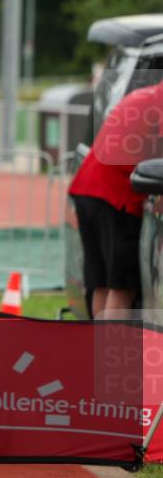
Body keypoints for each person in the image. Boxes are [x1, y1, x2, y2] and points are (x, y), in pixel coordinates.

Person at [69, 82, 163, 317]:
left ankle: (99, 349)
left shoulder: (144, 95)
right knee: (122, 288)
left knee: (101, 282)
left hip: (87, 188)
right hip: (114, 196)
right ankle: (113, 349)